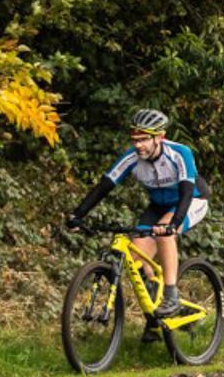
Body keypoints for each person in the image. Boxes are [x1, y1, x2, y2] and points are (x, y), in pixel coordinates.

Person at [66, 108, 210, 340]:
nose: (138, 145)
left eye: (144, 139)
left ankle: (171, 295)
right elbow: (103, 187)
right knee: (135, 261)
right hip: (158, 206)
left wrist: (174, 224)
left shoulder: (179, 153)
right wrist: (78, 214)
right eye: (135, 139)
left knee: (164, 235)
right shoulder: (131, 158)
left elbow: (185, 193)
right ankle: (154, 317)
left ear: (159, 137)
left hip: (192, 200)